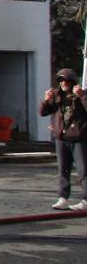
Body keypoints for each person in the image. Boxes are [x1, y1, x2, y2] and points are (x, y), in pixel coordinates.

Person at [39, 68, 87, 210]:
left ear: (72, 81)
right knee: (63, 170)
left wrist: (83, 96)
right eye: (61, 80)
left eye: (66, 80)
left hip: (79, 138)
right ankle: (63, 197)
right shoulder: (57, 96)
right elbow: (43, 112)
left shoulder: (80, 95)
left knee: (83, 170)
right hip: (62, 138)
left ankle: (86, 200)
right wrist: (46, 100)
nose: (63, 83)